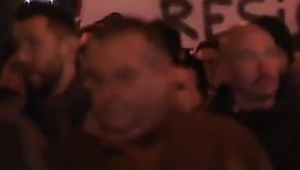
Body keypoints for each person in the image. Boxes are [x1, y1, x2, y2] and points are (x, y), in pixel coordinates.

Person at [48, 18, 271, 170]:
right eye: (96, 79)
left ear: (163, 75)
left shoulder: (222, 145)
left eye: (125, 77)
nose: (109, 93)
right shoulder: (70, 158)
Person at [210, 16, 300, 170]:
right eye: (248, 57)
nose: (264, 68)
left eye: (271, 54)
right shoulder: (205, 132)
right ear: (225, 68)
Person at [0, 2, 86, 143]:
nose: (20, 56)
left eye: (33, 43)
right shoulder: (18, 111)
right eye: (17, 46)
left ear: (69, 46)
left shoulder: (98, 114)